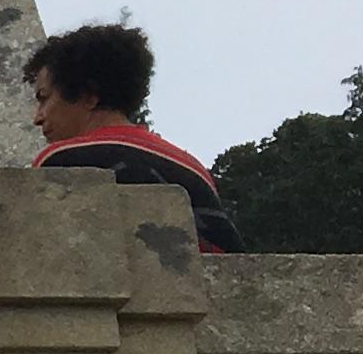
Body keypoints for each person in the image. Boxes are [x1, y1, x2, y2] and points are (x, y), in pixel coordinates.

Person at [26, 24, 241, 253]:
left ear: (87, 96)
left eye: (44, 98)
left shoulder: (61, 160)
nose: (37, 118)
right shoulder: (194, 169)